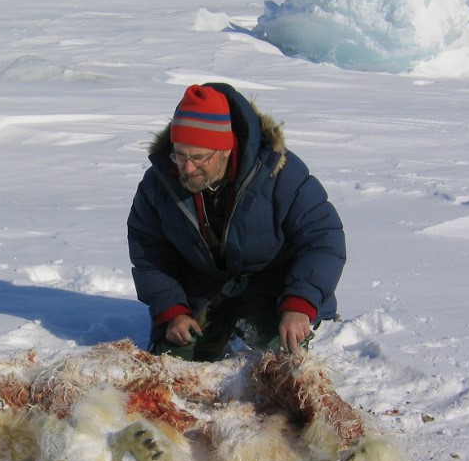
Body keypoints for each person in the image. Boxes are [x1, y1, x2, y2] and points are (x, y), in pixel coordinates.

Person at [127, 83, 345, 361]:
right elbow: (149, 252)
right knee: (171, 365)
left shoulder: (282, 175)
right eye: (179, 155)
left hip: (274, 286)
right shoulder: (158, 184)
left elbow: (324, 239)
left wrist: (299, 303)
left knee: (285, 361)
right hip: (204, 289)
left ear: (227, 149)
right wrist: (173, 311)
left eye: (199, 157)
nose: (187, 167)